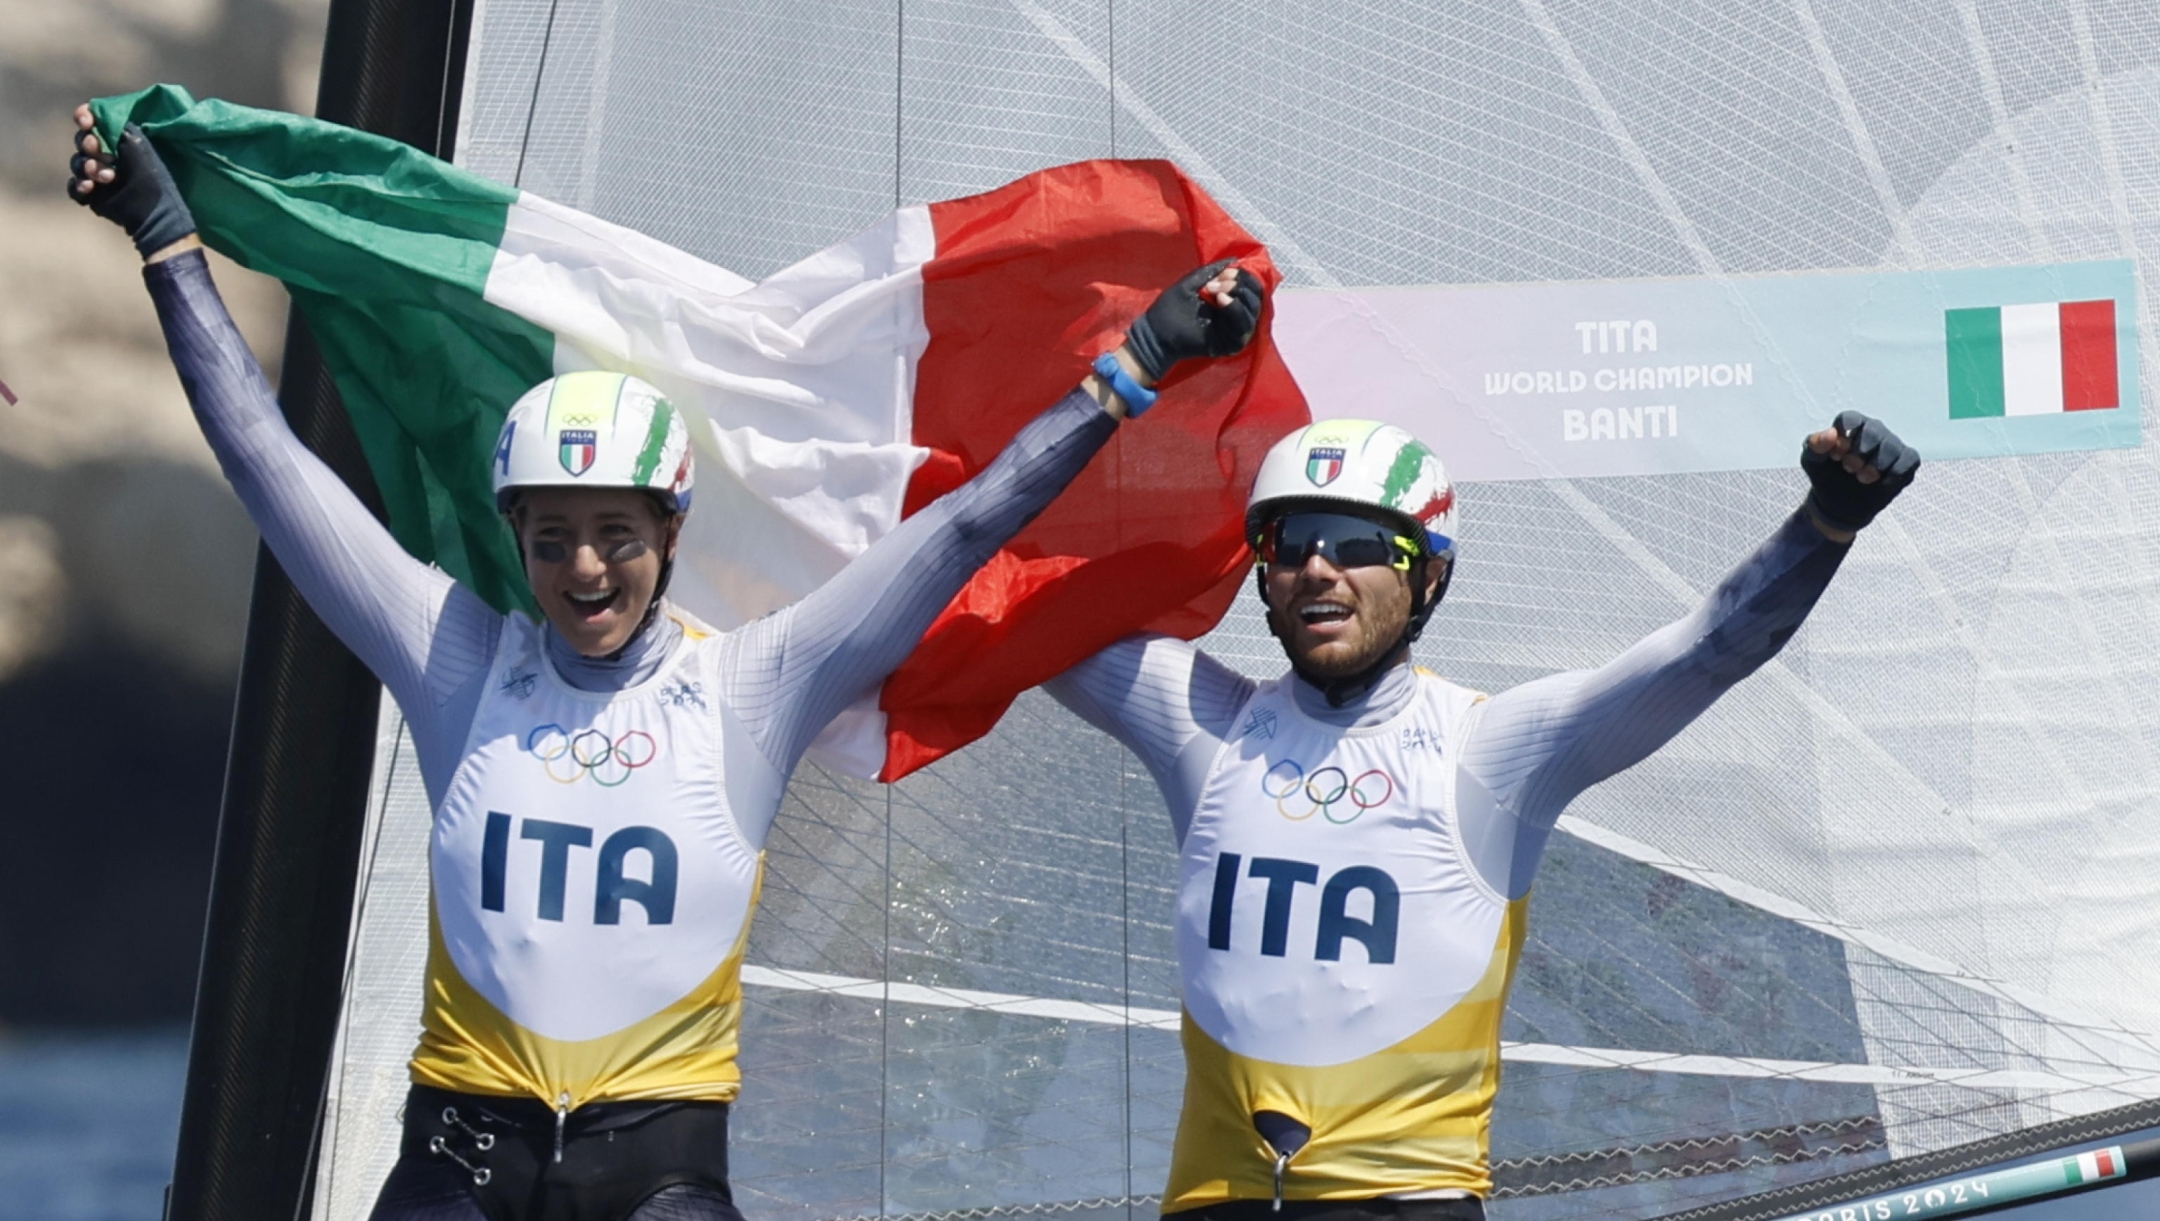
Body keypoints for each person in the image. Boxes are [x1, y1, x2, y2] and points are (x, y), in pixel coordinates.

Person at [69, 110, 1267, 1221]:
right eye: (552, 540)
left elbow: (961, 527)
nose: (586, 570)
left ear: (673, 535)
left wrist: (1140, 361)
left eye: (617, 537)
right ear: (515, 539)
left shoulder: (755, 683)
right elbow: (268, 461)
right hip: (459, 1166)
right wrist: (170, 246)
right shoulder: (451, 658)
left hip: (659, 1172)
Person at [1046, 413, 1918, 1219]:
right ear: (1264, 574)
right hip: (1216, 1200)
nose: (1317, 566)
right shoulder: (1204, 726)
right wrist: (1122, 375)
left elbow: (1703, 652)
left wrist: (1826, 523)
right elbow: (1007, 597)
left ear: (1428, 574)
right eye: (1290, 543)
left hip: (1409, 1198)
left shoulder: (1494, 750)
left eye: (1357, 544)